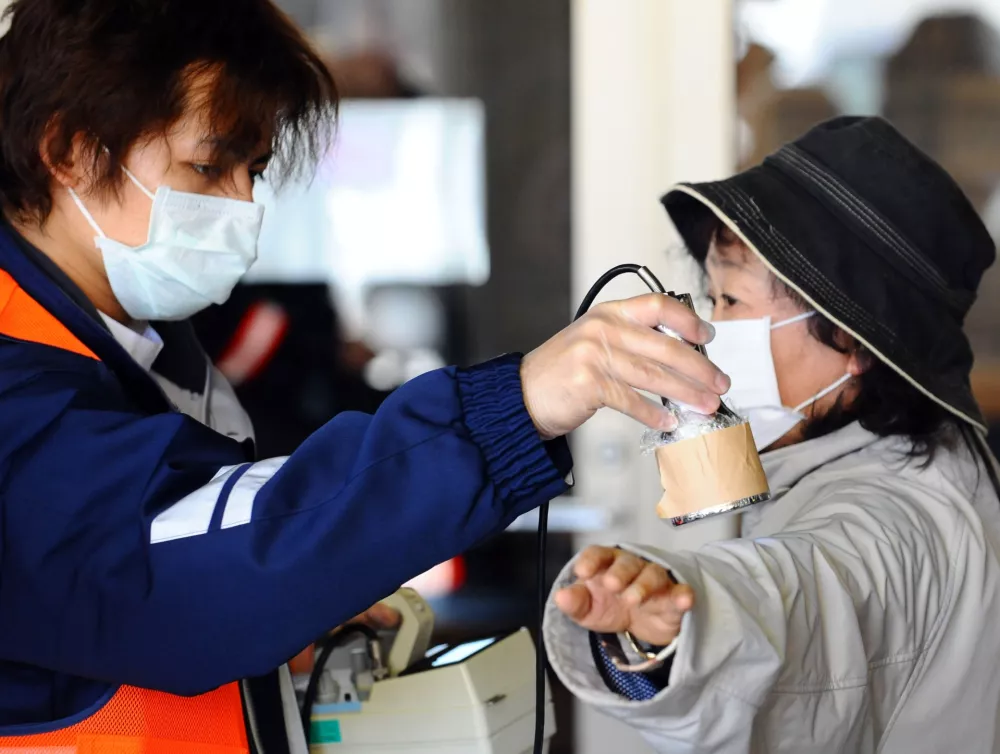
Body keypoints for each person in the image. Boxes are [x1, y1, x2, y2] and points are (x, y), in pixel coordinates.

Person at [0, 1, 731, 752]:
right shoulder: (18, 396)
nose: (243, 205)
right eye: (207, 165)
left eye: (252, 171)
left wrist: (300, 615)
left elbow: (135, 588)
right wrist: (514, 407)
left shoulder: (133, 342)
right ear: (71, 150)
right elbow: (189, 569)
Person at [544, 116, 1000, 753]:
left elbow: (808, 593)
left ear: (849, 341)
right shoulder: (904, 464)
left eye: (730, 302)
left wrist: (677, 624)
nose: (706, 328)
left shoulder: (897, 517)